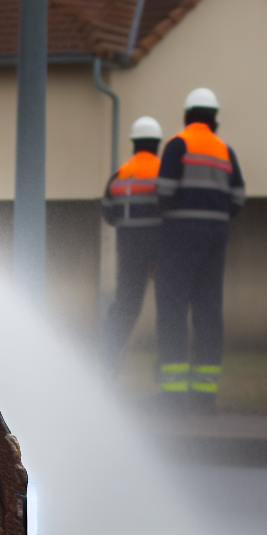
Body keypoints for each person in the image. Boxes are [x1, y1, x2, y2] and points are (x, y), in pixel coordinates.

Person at [154, 88, 245, 414]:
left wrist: (172, 218)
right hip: (216, 236)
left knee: (172, 308)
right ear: (214, 118)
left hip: (180, 234)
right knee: (209, 311)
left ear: (187, 115)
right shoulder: (225, 151)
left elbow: (163, 191)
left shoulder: (178, 144)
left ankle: (173, 394)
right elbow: (238, 197)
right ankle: (205, 396)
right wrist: (215, 219)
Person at [101, 116, 163, 373]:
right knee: (168, 310)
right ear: (157, 143)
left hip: (129, 251)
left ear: (134, 144)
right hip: (161, 252)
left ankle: (107, 362)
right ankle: (166, 367)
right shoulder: (164, 171)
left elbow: (109, 213)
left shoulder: (120, 174)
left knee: (125, 308)